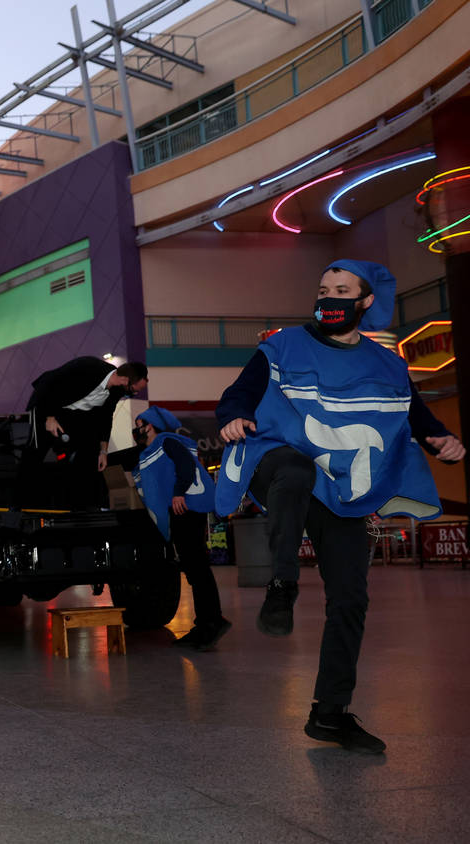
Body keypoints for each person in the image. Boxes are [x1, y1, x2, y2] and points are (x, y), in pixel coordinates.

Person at [215, 259, 464, 754]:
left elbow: (410, 410)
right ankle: (282, 582)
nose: (329, 297)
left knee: (350, 598)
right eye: (324, 288)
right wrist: (234, 415)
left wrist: (439, 437)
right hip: (278, 459)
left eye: (342, 290)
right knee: (296, 470)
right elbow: (241, 391)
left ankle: (330, 714)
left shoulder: (387, 363)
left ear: (365, 301)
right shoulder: (284, 345)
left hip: (342, 485)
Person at [132, 406, 230, 650]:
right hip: (180, 510)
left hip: (186, 508)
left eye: (139, 424)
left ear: (151, 425)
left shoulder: (168, 441)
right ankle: (204, 623)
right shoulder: (154, 449)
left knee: (197, 566)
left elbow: (185, 466)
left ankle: (213, 622)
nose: (137, 429)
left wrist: (178, 494)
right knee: (193, 567)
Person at [16, 357, 148, 509]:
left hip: (73, 414)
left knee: (90, 448)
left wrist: (103, 451)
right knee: (35, 452)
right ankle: (19, 504)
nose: (136, 393)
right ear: (126, 380)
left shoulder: (117, 390)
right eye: (135, 390)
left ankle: (82, 504)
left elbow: (105, 418)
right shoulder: (89, 367)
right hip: (46, 404)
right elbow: (52, 383)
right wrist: (49, 417)